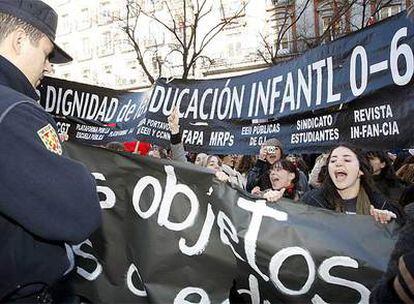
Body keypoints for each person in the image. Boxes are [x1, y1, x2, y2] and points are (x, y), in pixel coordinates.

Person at [0, 1, 101, 302]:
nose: (48, 66)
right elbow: (78, 211)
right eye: (45, 54)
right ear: (19, 41)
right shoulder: (14, 111)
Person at [301, 145, 403, 224]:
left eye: (347, 160)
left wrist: (390, 222)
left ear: (361, 170)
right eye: (333, 160)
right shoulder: (311, 202)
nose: (338, 163)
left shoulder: (381, 204)